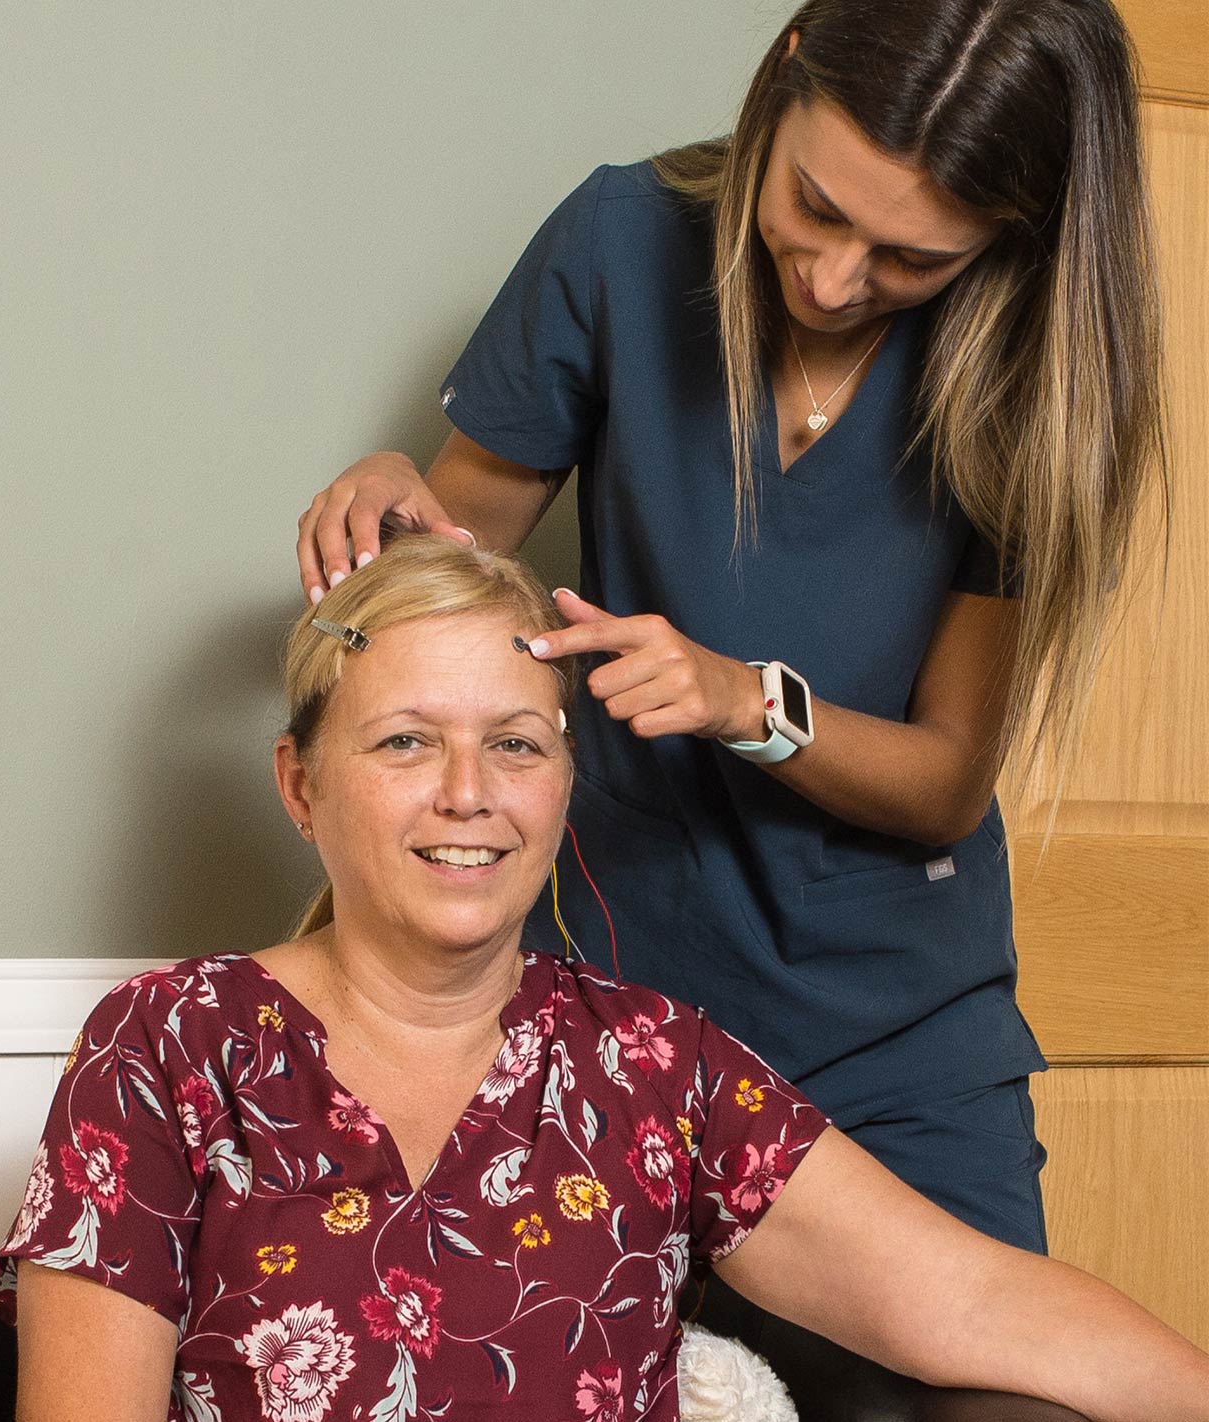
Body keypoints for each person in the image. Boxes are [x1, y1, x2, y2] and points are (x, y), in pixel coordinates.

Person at [292, 0, 1167, 1264]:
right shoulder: (619, 241)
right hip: (611, 1000)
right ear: (787, 67)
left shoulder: (1030, 370)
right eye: (815, 206)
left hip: (897, 1045)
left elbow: (943, 782)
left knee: (1001, 1379)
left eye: (909, 259)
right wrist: (386, 491)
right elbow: (451, 577)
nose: (830, 280)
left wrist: (739, 700)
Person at [0, 538, 1207, 1421]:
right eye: (405, 741)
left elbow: (976, 1308)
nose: (468, 792)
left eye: (515, 744)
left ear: (564, 790)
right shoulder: (168, 1045)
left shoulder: (652, 1065)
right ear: (300, 786)